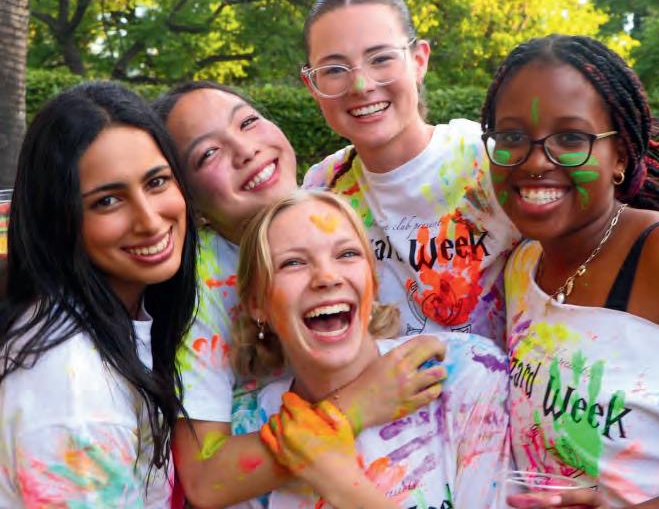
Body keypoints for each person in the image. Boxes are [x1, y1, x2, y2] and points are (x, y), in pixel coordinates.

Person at [301, 0, 659, 341]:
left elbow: (615, 225)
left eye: (381, 58)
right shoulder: (323, 190)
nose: (361, 85)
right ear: (311, 84)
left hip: (512, 413)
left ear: (419, 60)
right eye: (335, 69)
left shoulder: (493, 158)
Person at [478, 35, 659, 507]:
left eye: (572, 138)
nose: (535, 160)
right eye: (511, 137)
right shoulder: (523, 265)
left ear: (621, 157)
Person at [154, 83, 446, 508]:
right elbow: (206, 480)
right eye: (208, 153)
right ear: (189, 202)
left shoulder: (340, 189)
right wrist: (360, 404)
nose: (246, 150)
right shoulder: (197, 288)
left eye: (248, 122)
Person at [233, 189, 510, 508]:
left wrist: (337, 482)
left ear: (373, 281)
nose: (327, 277)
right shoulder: (247, 426)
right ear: (256, 304)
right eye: (293, 262)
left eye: (347, 254)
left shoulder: (462, 372)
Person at [0, 82, 198, 507]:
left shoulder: (105, 319)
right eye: (107, 201)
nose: (150, 220)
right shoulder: (76, 391)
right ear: (59, 219)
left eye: (157, 181)